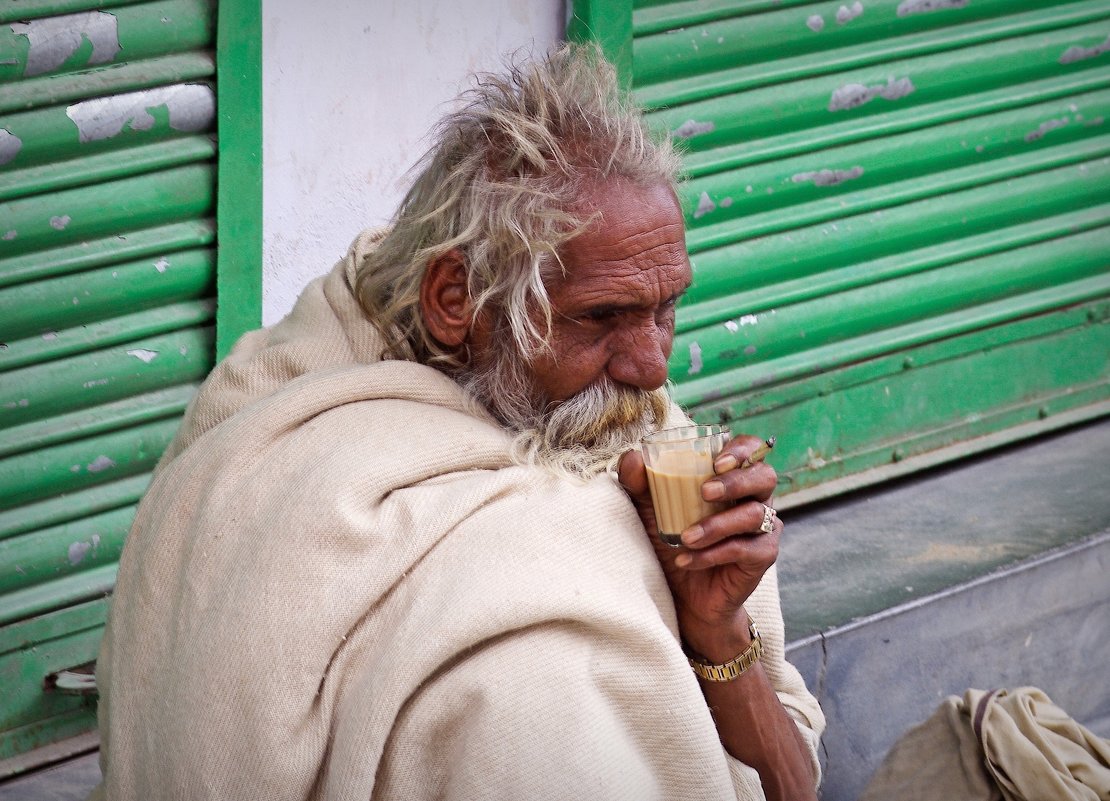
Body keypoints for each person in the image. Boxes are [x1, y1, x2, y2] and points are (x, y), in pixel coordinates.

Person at [90, 44, 824, 800]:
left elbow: (793, 784)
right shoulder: (270, 422)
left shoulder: (630, 426)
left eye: (665, 311)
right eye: (602, 317)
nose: (652, 368)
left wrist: (716, 629)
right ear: (454, 302)